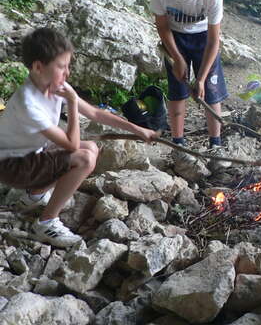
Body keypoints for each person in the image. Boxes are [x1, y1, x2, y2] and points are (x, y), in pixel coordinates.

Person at [0, 28, 157, 248]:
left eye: (68, 66)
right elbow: (72, 144)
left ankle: (34, 196)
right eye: (61, 67)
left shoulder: (52, 85)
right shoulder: (29, 103)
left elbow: (95, 113)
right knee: (84, 158)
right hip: (12, 167)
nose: (67, 73)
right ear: (38, 67)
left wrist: (138, 129)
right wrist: (72, 103)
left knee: (91, 148)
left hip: (29, 154)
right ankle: (46, 223)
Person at [151, 0, 227, 154]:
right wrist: (177, 58)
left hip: (203, 38)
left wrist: (201, 78)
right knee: (178, 90)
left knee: (211, 92)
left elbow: (214, 41)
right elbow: (162, 26)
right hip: (175, 37)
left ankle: (215, 143)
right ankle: (178, 142)